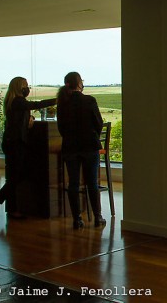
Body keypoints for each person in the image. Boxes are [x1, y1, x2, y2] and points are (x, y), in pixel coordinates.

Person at [0, 77, 56, 218]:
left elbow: (19, 118)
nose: (27, 88)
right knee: (16, 176)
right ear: (19, 88)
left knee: (15, 176)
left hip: (13, 142)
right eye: (25, 86)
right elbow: (35, 105)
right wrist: (56, 100)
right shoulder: (18, 101)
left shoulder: (13, 101)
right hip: (15, 144)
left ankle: (12, 209)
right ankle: (0, 199)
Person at [56, 72, 106, 229]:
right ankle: (98, 217)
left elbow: (61, 128)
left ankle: (77, 219)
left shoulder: (63, 103)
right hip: (89, 146)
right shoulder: (89, 100)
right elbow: (98, 123)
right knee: (92, 182)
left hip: (70, 148)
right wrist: (93, 136)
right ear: (79, 83)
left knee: (73, 184)